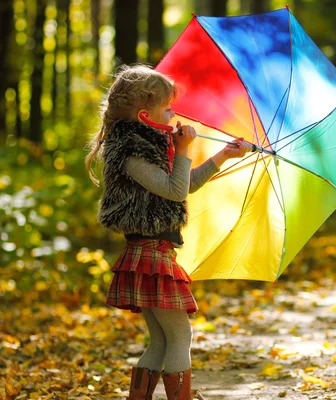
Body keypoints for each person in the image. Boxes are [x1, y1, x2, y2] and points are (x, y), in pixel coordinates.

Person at [85, 64, 251, 400]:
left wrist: (222, 155)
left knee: (162, 339)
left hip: (152, 251)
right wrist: (185, 151)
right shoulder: (131, 152)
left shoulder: (151, 145)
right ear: (146, 116)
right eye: (167, 108)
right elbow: (175, 190)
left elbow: (182, 185)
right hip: (148, 253)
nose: (174, 113)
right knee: (180, 337)